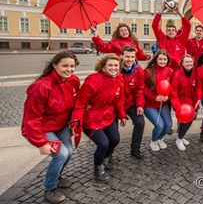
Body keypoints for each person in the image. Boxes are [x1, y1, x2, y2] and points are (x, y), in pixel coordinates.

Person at [21, 51, 80, 203]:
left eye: (72, 66)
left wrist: (74, 123)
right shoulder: (41, 87)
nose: (69, 69)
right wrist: (41, 143)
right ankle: (50, 189)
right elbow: (32, 118)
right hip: (40, 128)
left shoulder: (73, 81)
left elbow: (74, 105)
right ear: (54, 66)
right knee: (61, 154)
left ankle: (57, 175)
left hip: (60, 126)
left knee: (69, 152)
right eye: (65, 66)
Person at [71, 55, 126, 183]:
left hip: (107, 116)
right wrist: (77, 123)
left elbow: (119, 101)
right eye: (110, 65)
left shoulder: (119, 80)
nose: (113, 68)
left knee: (115, 139)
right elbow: (80, 103)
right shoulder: (93, 80)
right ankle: (98, 168)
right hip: (91, 119)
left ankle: (105, 159)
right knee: (103, 143)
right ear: (104, 66)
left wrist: (122, 115)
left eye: (116, 66)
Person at [143, 49, 174, 151]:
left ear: (167, 60)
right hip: (150, 104)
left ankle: (160, 139)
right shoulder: (148, 72)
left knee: (168, 125)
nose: (162, 61)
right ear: (156, 59)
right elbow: (142, 87)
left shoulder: (170, 71)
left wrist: (168, 96)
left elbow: (171, 87)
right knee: (160, 125)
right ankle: (153, 141)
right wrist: (154, 97)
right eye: (160, 59)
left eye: (164, 59)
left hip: (163, 103)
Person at [120, 46, 146, 159]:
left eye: (132, 56)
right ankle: (108, 154)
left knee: (140, 122)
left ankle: (135, 149)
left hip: (130, 102)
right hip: (116, 103)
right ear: (122, 56)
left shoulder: (139, 70)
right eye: (127, 56)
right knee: (111, 128)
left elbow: (139, 89)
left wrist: (140, 105)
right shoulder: (115, 67)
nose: (130, 59)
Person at [171, 55, 200, 151]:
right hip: (181, 103)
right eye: (186, 62)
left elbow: (198, 89)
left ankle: (181, 136)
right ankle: (179, 139)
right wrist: (177, 107)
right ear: (182, 63)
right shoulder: (177, 74)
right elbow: (173, 92)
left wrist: (198, 100)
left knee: (190, 120)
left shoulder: (195, 73)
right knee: (186, 122)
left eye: (190, 62)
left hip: (191, 102)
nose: (189, 64)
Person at [152, 0, 191, 70]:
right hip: (165, 68)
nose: (171, 32)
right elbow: (155, 25)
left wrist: (179, 13)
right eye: (169, 30)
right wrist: (161, 11)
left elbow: (188, 26)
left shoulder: (181, 39)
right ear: (166, 32)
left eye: (173, 30)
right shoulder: (162, 38)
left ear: (176, 32)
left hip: (178, 69)